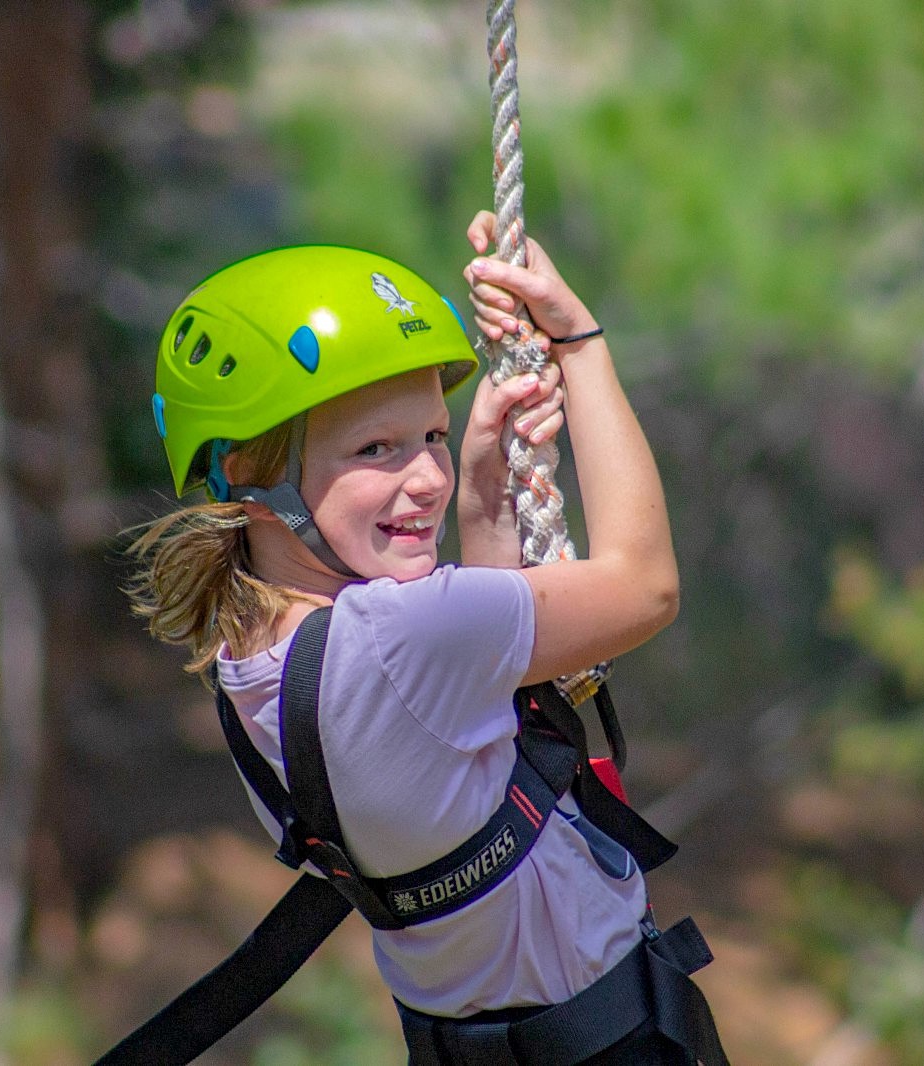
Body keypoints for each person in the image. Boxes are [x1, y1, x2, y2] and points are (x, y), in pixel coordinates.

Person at [125, 212, 722, 1065]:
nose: (427, 477)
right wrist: (581, 345)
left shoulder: (252, 665)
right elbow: (646, 585)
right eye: (377, 448)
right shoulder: (402, 635)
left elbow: (464, 732)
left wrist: (481, 496)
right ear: (253, 476)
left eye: (433, 437)